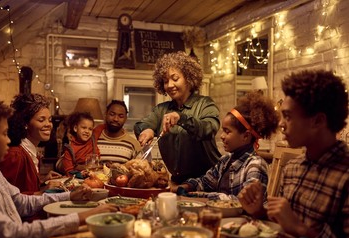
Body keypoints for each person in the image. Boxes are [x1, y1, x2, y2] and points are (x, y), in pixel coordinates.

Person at [0, 92, 117, 238]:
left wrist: (70, 195)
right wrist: (80, 217)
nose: (8, 140)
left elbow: (21, 202)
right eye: (4, 133)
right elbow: (13, 234)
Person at [238, 70, 349, 238]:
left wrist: (300, 228)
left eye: (288, 116)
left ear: (318, 121)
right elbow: (283, 226)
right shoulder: (292, 168)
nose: (281, 124)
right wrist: (260, 212)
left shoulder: (344, 175)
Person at [134, 51, 221, 184]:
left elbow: (209, 128)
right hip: (177, 181)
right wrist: (147, 130)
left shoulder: (205, 103)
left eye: (175, 79)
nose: (169, 85)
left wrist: (181, 118)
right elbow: (140, 125)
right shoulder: (161, 109)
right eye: (165, 81)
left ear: (189, 78)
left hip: (209, 181)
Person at [173, 92, 279, 197]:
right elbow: (205, 182)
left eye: (227, 131)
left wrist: (200, 195)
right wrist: (183, 187)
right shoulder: (225, 161)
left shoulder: (255, 166)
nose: (222, 136)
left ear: (246, 136)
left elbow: (242, 202)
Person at [0, 93, 62, 195]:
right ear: (25, 124)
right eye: (41, 120)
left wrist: (42, 182)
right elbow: (4, 196)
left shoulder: (29, 151)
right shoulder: (15, 155)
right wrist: (42, 191)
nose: (48, 125)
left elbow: (23, 187)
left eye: (50, 120)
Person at [93, 100, 141, 165]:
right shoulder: (94, 139)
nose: (115, 119)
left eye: (120, 116)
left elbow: (139, 170)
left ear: (125, 118)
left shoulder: (133, 144)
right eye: (112, 114)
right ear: (106, 114)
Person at [58, 111, 99, 175]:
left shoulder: (92, 142)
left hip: (92, 175)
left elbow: (97, 157)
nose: (87, 131)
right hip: (77, 178)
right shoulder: (70, 149)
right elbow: (69, 171)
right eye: (84, 128)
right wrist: (81, 175)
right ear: (75, 128)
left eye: (90, 129)